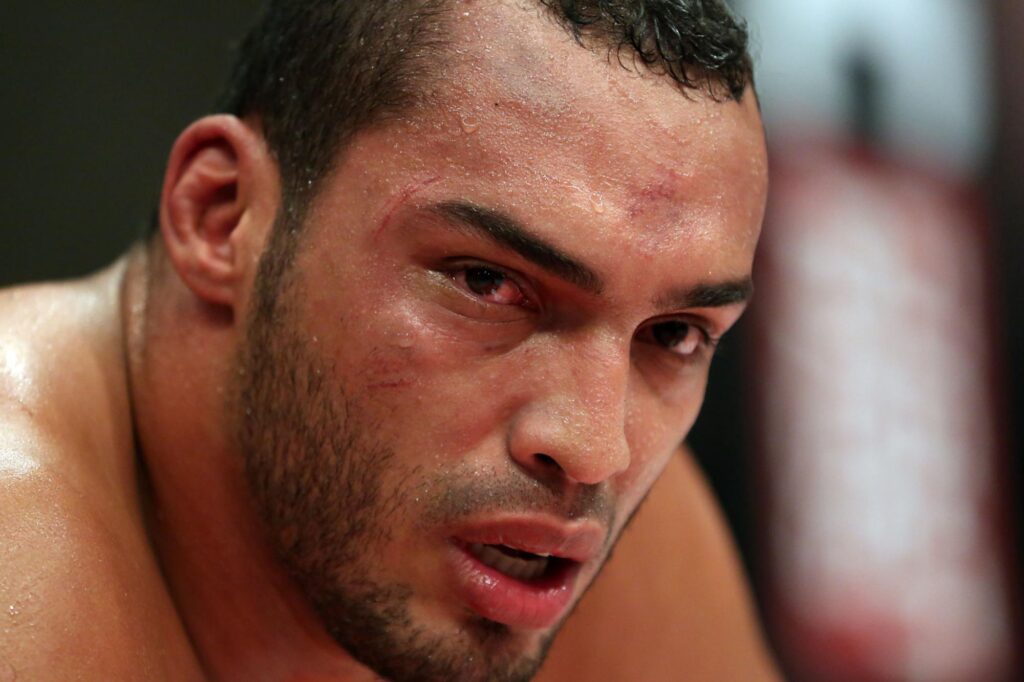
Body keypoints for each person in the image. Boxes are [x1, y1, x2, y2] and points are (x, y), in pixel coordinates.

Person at [0, 0, 776, 680]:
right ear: (223, 215)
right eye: (487, 283)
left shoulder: (576, 544)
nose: (594, 450)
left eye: (673, 334)